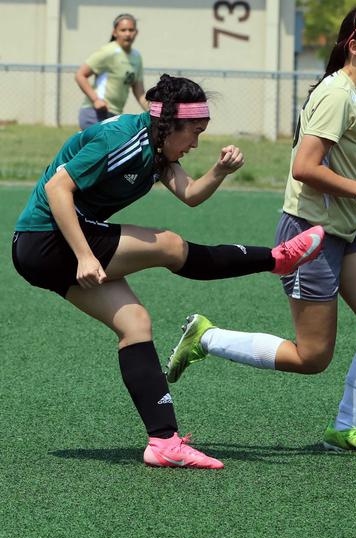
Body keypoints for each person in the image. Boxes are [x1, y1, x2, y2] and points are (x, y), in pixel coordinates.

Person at [11, 74, 325, 469]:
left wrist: (220, 170)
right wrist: (85, 256)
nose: (195, 143)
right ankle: (277, 260)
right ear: (168, 124)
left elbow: (191, 195)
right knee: (170, 246)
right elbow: (58, 188)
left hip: (51, 246)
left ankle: (163, 441)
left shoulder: (158, 149)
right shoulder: (124, 140)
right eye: (193, 132)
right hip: (46, 240)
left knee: (136, 324)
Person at [164, 5, 356, 454]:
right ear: (354, 46)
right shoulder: (336, 94)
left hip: (345, 229)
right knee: (312, 357)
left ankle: (345, 428)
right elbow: (304, 167)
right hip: (310, 233)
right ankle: (206, 337)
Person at [75, 13, 149, 130]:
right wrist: (96, 100)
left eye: (131, 30)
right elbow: (80, 75)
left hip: (115, 115)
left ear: (136, 32)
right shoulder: (108, 51)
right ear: (114, 32)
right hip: (95, 113)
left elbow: (139, 92)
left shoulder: (136, 57)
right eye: (123, 30)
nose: (127, 34)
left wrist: (153, 111)